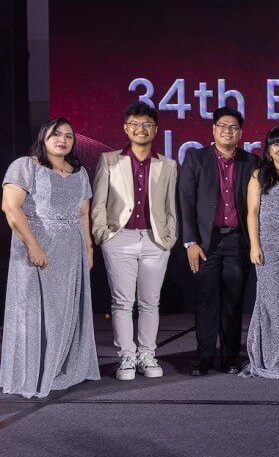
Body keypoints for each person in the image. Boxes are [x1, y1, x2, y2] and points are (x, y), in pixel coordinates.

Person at [0, 117, 100, 398]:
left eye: (69, 136)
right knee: (35, 309)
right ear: (43, 137)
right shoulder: (25, 166)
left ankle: (62, 366)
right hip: (36, 248)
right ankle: (34, 372)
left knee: (66, 310)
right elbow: (11, 208)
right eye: (56, 134)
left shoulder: (79, 173)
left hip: (71, 251)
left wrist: (88, 249)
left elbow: (83, 214)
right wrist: (33, 245)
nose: (63, 140)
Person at [92, 102, 178, 381]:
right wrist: (103, 236)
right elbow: (99, 203)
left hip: (155, 240)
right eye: (135, 124)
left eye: (147, 124)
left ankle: (147, 354)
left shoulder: (167, 164)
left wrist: (169, 238)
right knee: (122, 302)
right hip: (120, 238)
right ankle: (127, 358)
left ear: (155, 129)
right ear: (126, 128)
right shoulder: (109, 160)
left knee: (151, 302)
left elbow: (170, 207)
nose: (141, 129)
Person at [179, 107, 259, 376]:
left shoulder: (252, 162)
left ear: (241, 133)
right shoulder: (195, 158)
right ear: (213, 130)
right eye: (223, 126)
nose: (228, 131)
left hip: (238, 241)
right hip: (205, 242)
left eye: (234, 127)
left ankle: (230, 357)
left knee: (233, 303)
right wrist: (190, 242)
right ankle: (202, 358)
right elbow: (186, 202)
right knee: (205, 301)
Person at [240, 127, 279, 379]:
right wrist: (254, 245)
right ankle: (265, 358)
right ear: (268, 149)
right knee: (270, 303)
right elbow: (252, 212)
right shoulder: (259, 175)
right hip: (268, 247)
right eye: (276, 145)